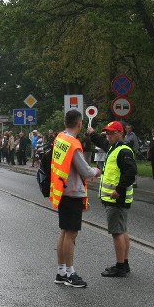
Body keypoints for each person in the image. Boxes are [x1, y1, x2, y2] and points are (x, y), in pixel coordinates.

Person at [50, 110, 101, 288]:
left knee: (64, 231)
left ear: (65, 123)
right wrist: (96, 171)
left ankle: (61, 271)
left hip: (62, 190)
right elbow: (85, 171)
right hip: (72, 192)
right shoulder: (73, 143)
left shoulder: (60, 138)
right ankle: (70, 274)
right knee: (71, 234)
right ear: (79, 124)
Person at [88, 121, 136, 277]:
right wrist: (91, 134)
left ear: (120, 133)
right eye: (107, 133)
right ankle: (124, 263)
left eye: (111, 133)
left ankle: (120, 266)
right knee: (122, 231)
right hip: (113, 198)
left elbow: (130, 173)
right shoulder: (112, 148)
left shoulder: (123, 151)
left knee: (117, 233)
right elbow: (101, 141)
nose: (108, 136)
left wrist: (119, 190)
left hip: (116, 199)